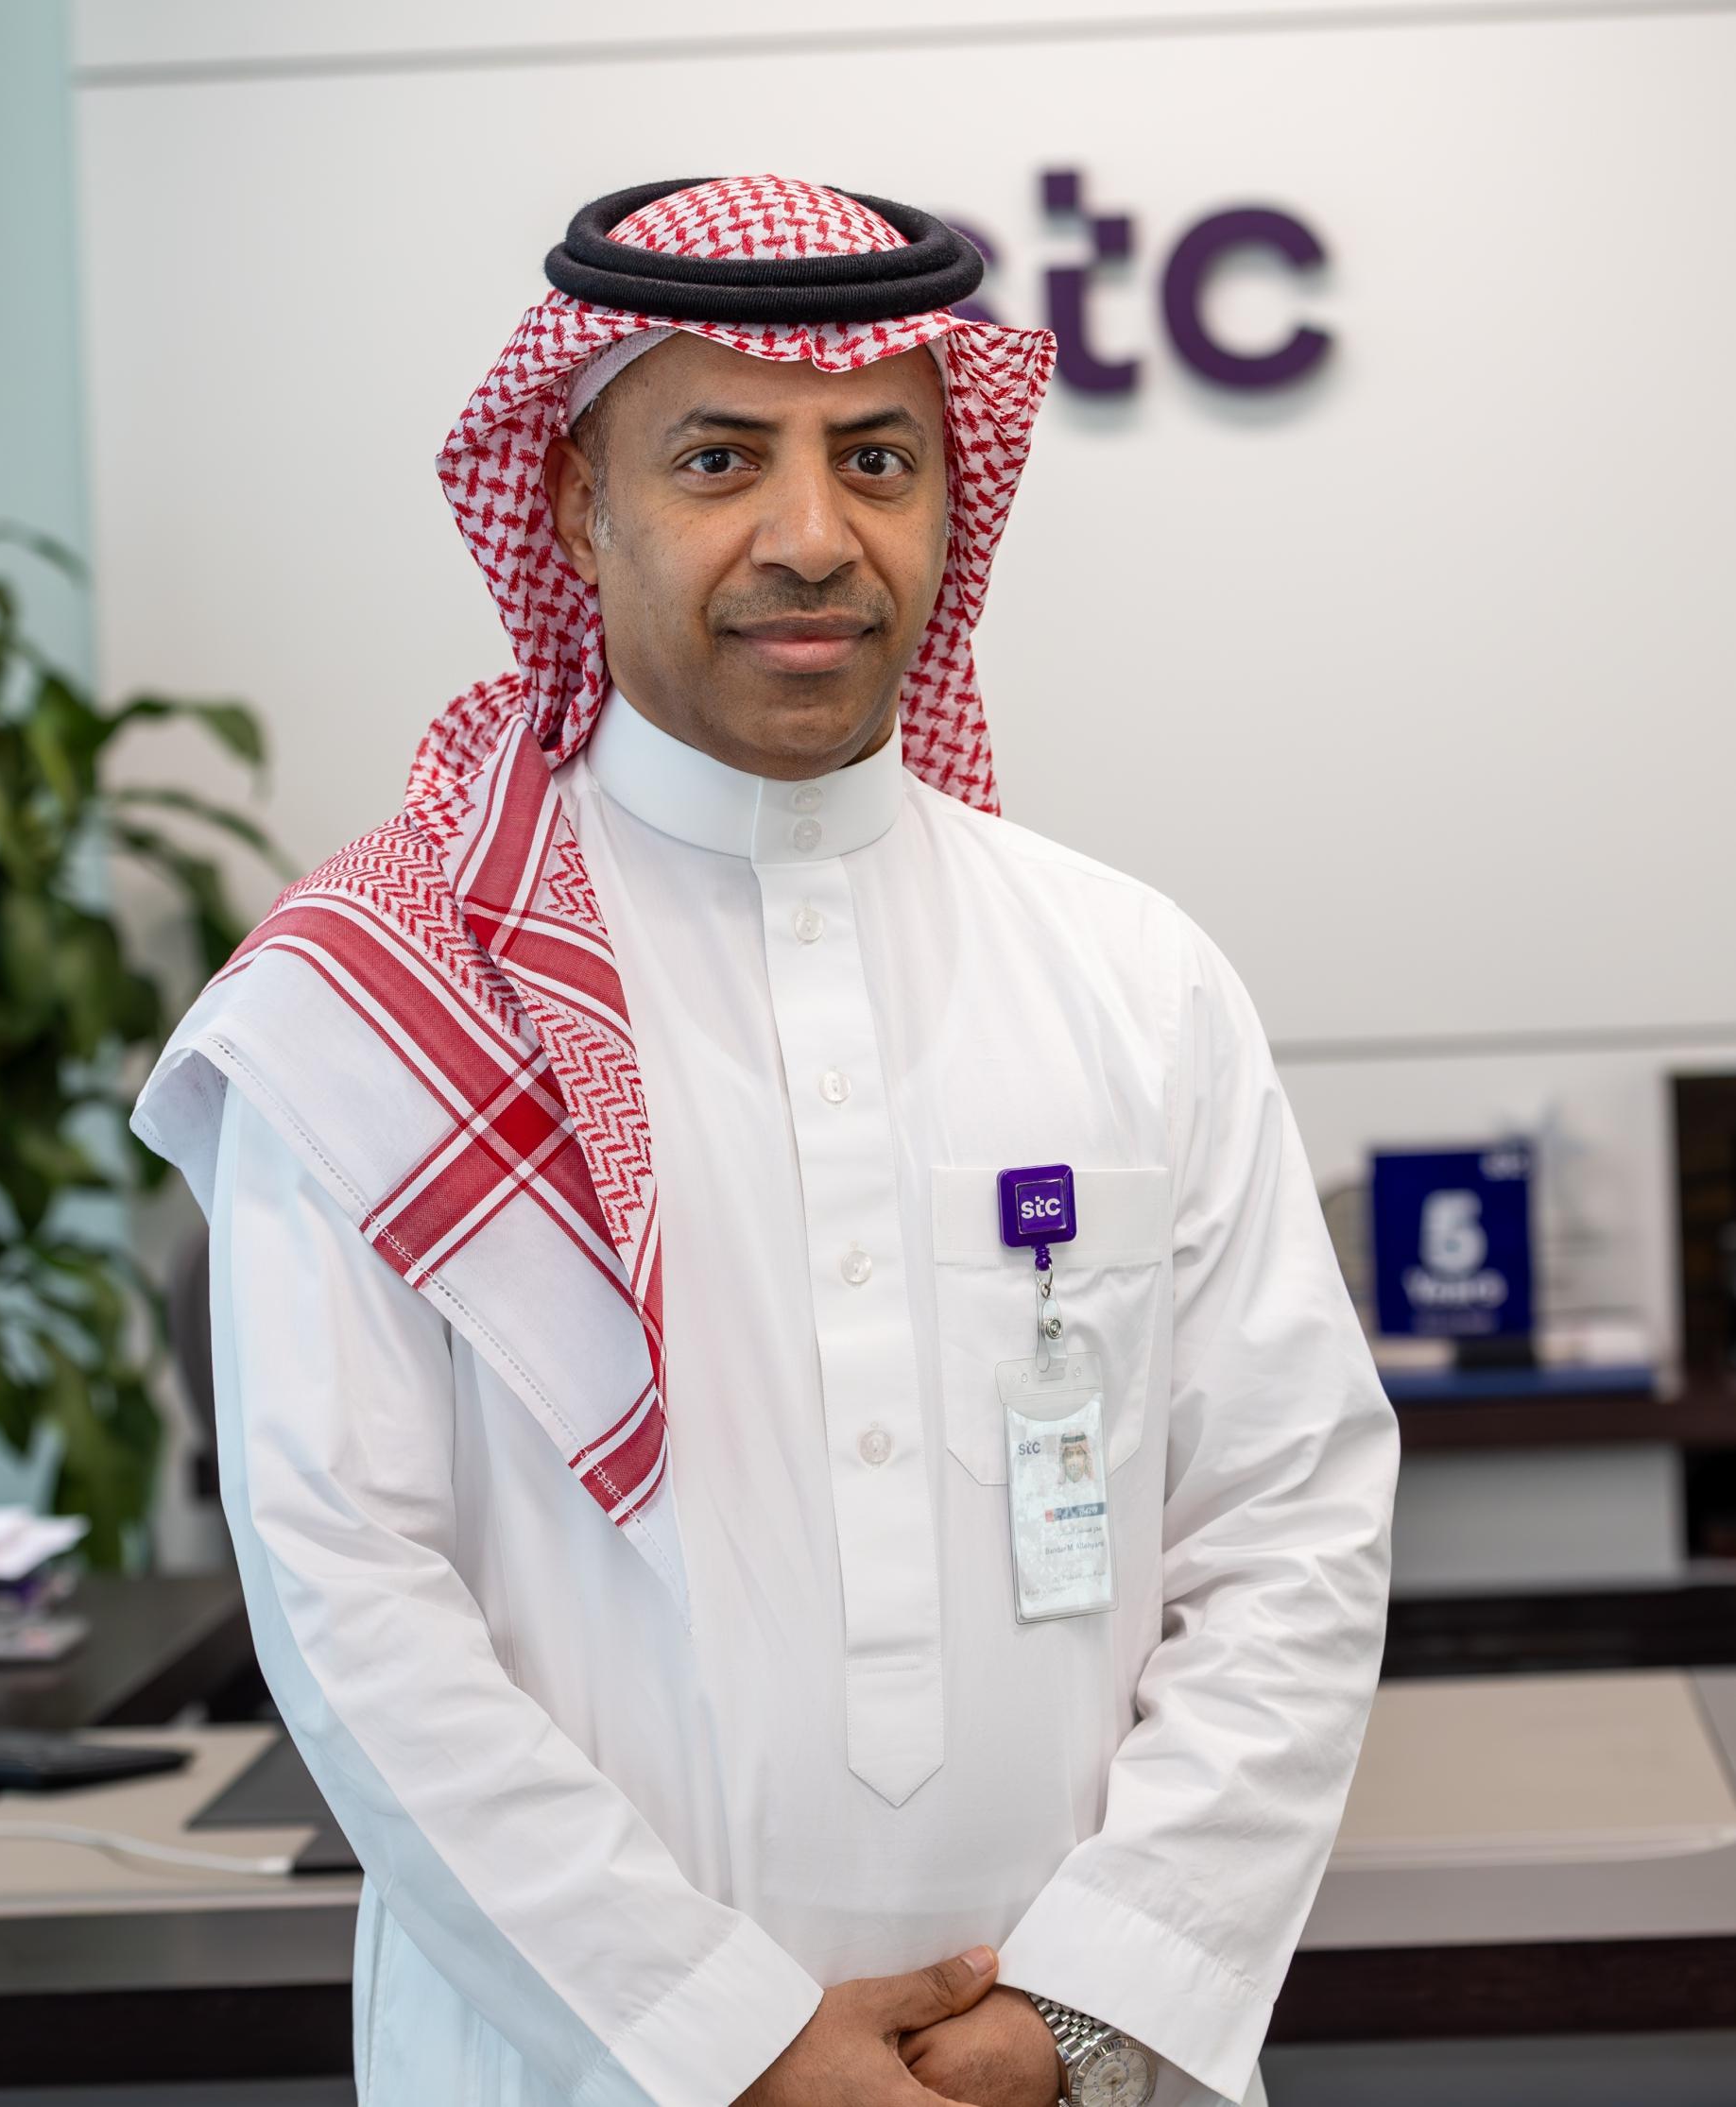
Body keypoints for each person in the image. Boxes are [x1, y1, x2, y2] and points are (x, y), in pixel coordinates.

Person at [134, 174, 1400, 2107]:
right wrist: (725, 2041)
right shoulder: (375, 1007)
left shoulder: (1130, 975)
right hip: (577, 2070)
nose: (813, 537)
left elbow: (1288, 1521)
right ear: (578, 502)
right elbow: (349, 1594)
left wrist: (1078, 2012)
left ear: (950, 498)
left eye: (876, 460)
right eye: (720, 458)